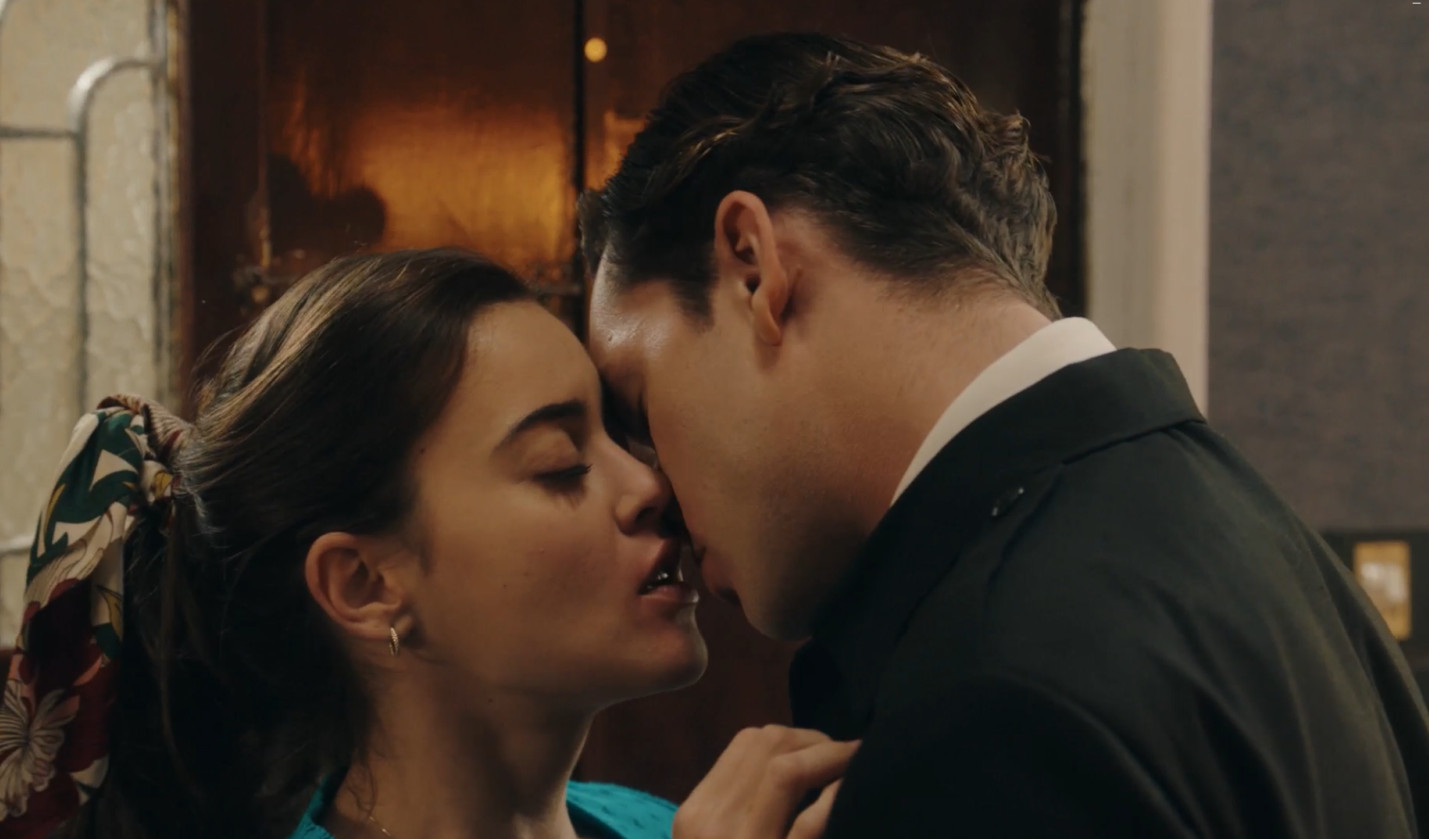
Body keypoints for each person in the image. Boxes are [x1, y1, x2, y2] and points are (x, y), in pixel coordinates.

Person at [581, 32, 1429, 838]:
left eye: (637, 407)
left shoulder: (989, 696)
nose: (652, 488)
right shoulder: (1269, 550)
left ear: (751, 265)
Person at [0, 250, 848, 839]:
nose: (649, 485)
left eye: (623, 439)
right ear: (364, 583)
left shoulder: (668, 825)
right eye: (561, 464)